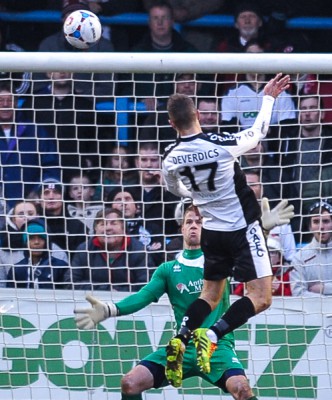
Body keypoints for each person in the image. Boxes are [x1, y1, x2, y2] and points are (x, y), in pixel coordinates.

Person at [161, 73, 291, 386]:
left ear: (171, 122)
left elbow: (173, 187)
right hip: (242, 230)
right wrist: (269, 98)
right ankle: (213, 334)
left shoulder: (170, 157)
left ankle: (181, 338)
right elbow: (257, 134)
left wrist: (194, 195)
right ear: (196, 114)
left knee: (210, 294)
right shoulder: (219, 145)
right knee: (261, 297)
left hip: (212, 233)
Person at [74, 205, 260, 399]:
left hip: (217, 346)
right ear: (182, 229)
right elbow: (143, 296)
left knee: (242, 390)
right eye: (189, 222)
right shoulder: (168, 269)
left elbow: (250, 256)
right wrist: (110, 309)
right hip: (181, 347)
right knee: (130, 383)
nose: (194, 226)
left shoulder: (221, 261)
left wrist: (260, 232)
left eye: (199, 222)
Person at [23, 71, 97, 182]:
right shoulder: (33, 103)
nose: (62, 73)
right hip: (40, 168)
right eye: (57, 69)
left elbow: (95, 137)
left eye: (66, 69)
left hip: (76, 169)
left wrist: (91, 159)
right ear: (48, 73)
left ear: (73, 73)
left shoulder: (84, 105)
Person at [34, 0, 114, 99]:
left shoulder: (103, 46)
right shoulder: (48, 44)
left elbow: (108, 88)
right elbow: (38, 85)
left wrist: (78, 98)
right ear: (63, 19)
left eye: (81, 15)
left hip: (89, 108)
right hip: (51, 106)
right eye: (71, 16)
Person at [0, 80, 60, 208]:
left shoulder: (35, 131)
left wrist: (38, 191)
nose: (5, 104)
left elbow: (51, 166)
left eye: (9, 100)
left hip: (28, 205)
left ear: (16, 103)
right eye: (1, 100)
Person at [64, 207, 154, 292]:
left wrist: (117, 292)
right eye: (102, 224)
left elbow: (147, 286)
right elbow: (70, 282)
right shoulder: (84, 250)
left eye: (113, 223)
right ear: (95, 229)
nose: (108, 228)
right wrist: (106, 290)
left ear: (123, 228)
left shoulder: (139, 251)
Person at [281, 95, 332, 224]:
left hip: (325, 206)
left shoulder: (330, 138)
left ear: (322, 114)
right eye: (303, 109)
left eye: (313, 108)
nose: (307, 113)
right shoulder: (288, 139)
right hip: (293, 206)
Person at [0, 200, 68, 287]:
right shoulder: (3, 250)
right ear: (13, 219)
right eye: (21, 214)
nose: (26, 217)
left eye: (30, 214)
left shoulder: (57, 252)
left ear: (38, 216)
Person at [244, 168, 296, 263]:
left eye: (253, 185)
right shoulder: (230, 222)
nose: (249, 188)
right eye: (245, 185)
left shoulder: (280, 222)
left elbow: (291, 259)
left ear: (262, 188)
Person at [6, 218, 69, 289]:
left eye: (41, 238)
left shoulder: (60, 267)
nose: (36, 242)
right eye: (31, 238)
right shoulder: (16, 270)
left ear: (47, 242)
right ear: (25, 242)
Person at [135, 142, 180, 238]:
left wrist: (166, 187)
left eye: (153, 160)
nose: (148, 165)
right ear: (137, 162)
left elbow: (180, 215)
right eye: (144, 160)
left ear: (161, 162)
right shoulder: (128, 191)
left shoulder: (174, 189)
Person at [290, 200, 332, 297]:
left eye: (326, 221)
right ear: (310, 227)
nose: (321, 227)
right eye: (316, 222)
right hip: (313, 312)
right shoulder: (299, 258)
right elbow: (298, 293)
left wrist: (324, 288)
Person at [38, 178, 87, 259]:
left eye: (56, 192)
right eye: (46, 193)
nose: (51, 197)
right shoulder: (34, 225)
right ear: (39, 199)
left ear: (62, 197)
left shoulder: (77, 226)